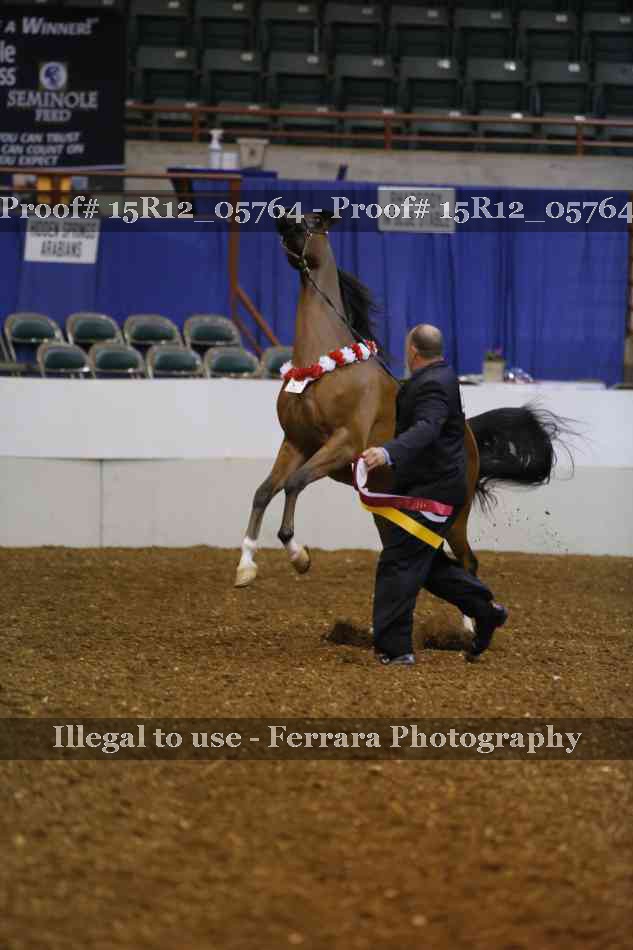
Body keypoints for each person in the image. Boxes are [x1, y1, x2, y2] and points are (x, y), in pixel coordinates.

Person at [362, 324, 507, 666]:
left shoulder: (433, 386)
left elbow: (426, 428)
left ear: (413, 351)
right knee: (425, 564)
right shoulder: (440, 377)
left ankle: (396, 649)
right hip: (433, 488)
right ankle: (485, 610)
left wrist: (387, 452)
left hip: (433, 494)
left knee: (398, 561)